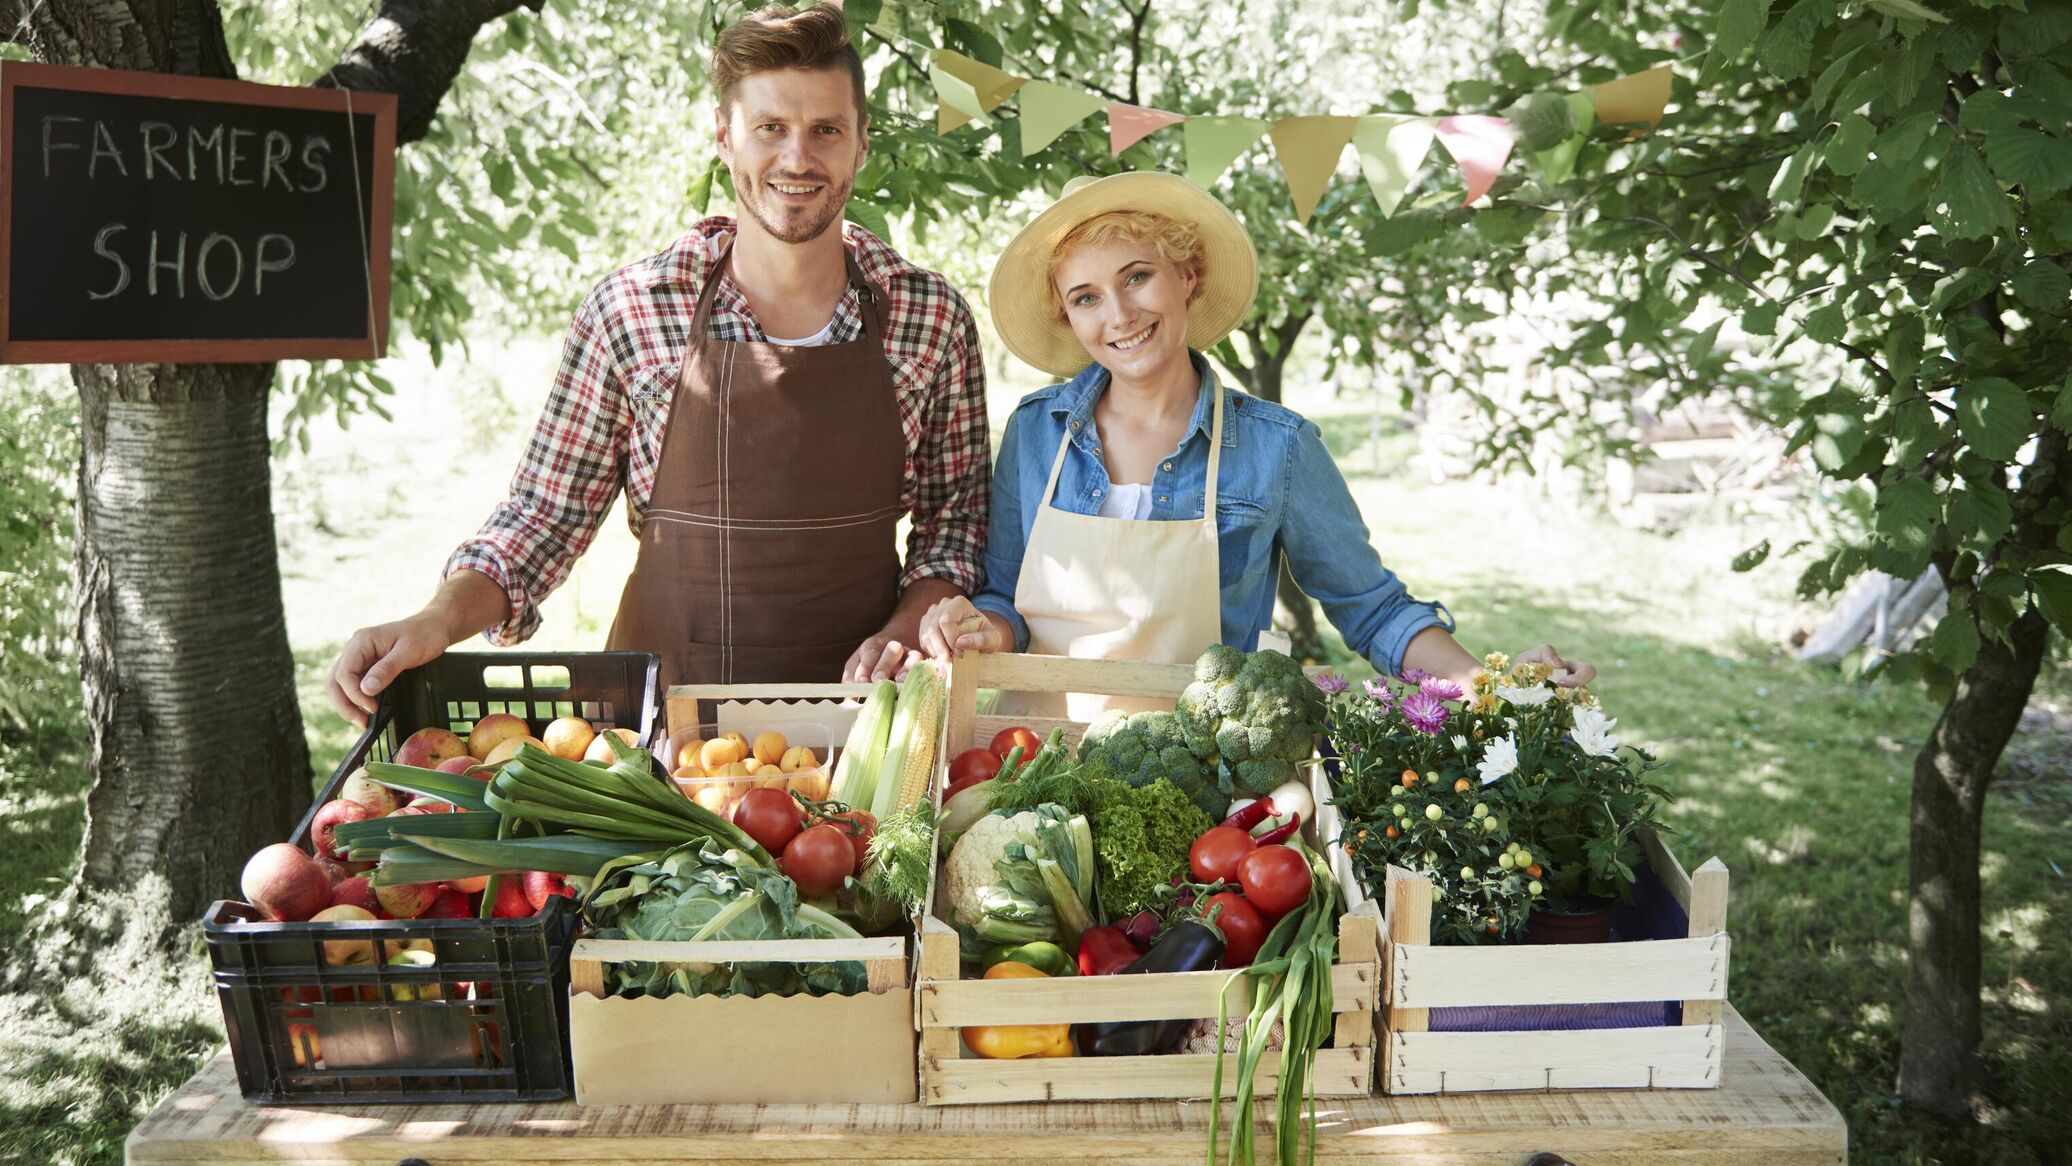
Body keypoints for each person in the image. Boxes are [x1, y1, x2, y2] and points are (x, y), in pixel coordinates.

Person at [328, 3, 990, 726]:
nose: (798, 158)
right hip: (660, 730)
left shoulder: (929, 318)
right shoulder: (634, 309)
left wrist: (908, 630)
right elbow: (544, 518)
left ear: (861, 144)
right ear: (724, 138)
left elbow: (955, 525)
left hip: (864, 725)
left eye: (826, 130)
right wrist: (435, 620)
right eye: (770, 127)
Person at [915, 172, 1592, 713]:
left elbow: (1374, 610)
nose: (1118, 315)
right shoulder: (1038, 430)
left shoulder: (1277, 448)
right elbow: (1007, 599)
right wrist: (979, 627)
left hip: (1202, 778)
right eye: (1086, 297)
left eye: (1137, 277)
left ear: (1188, 276)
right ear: (1068, 315)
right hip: (1030, 753)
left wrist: (1491, 686)